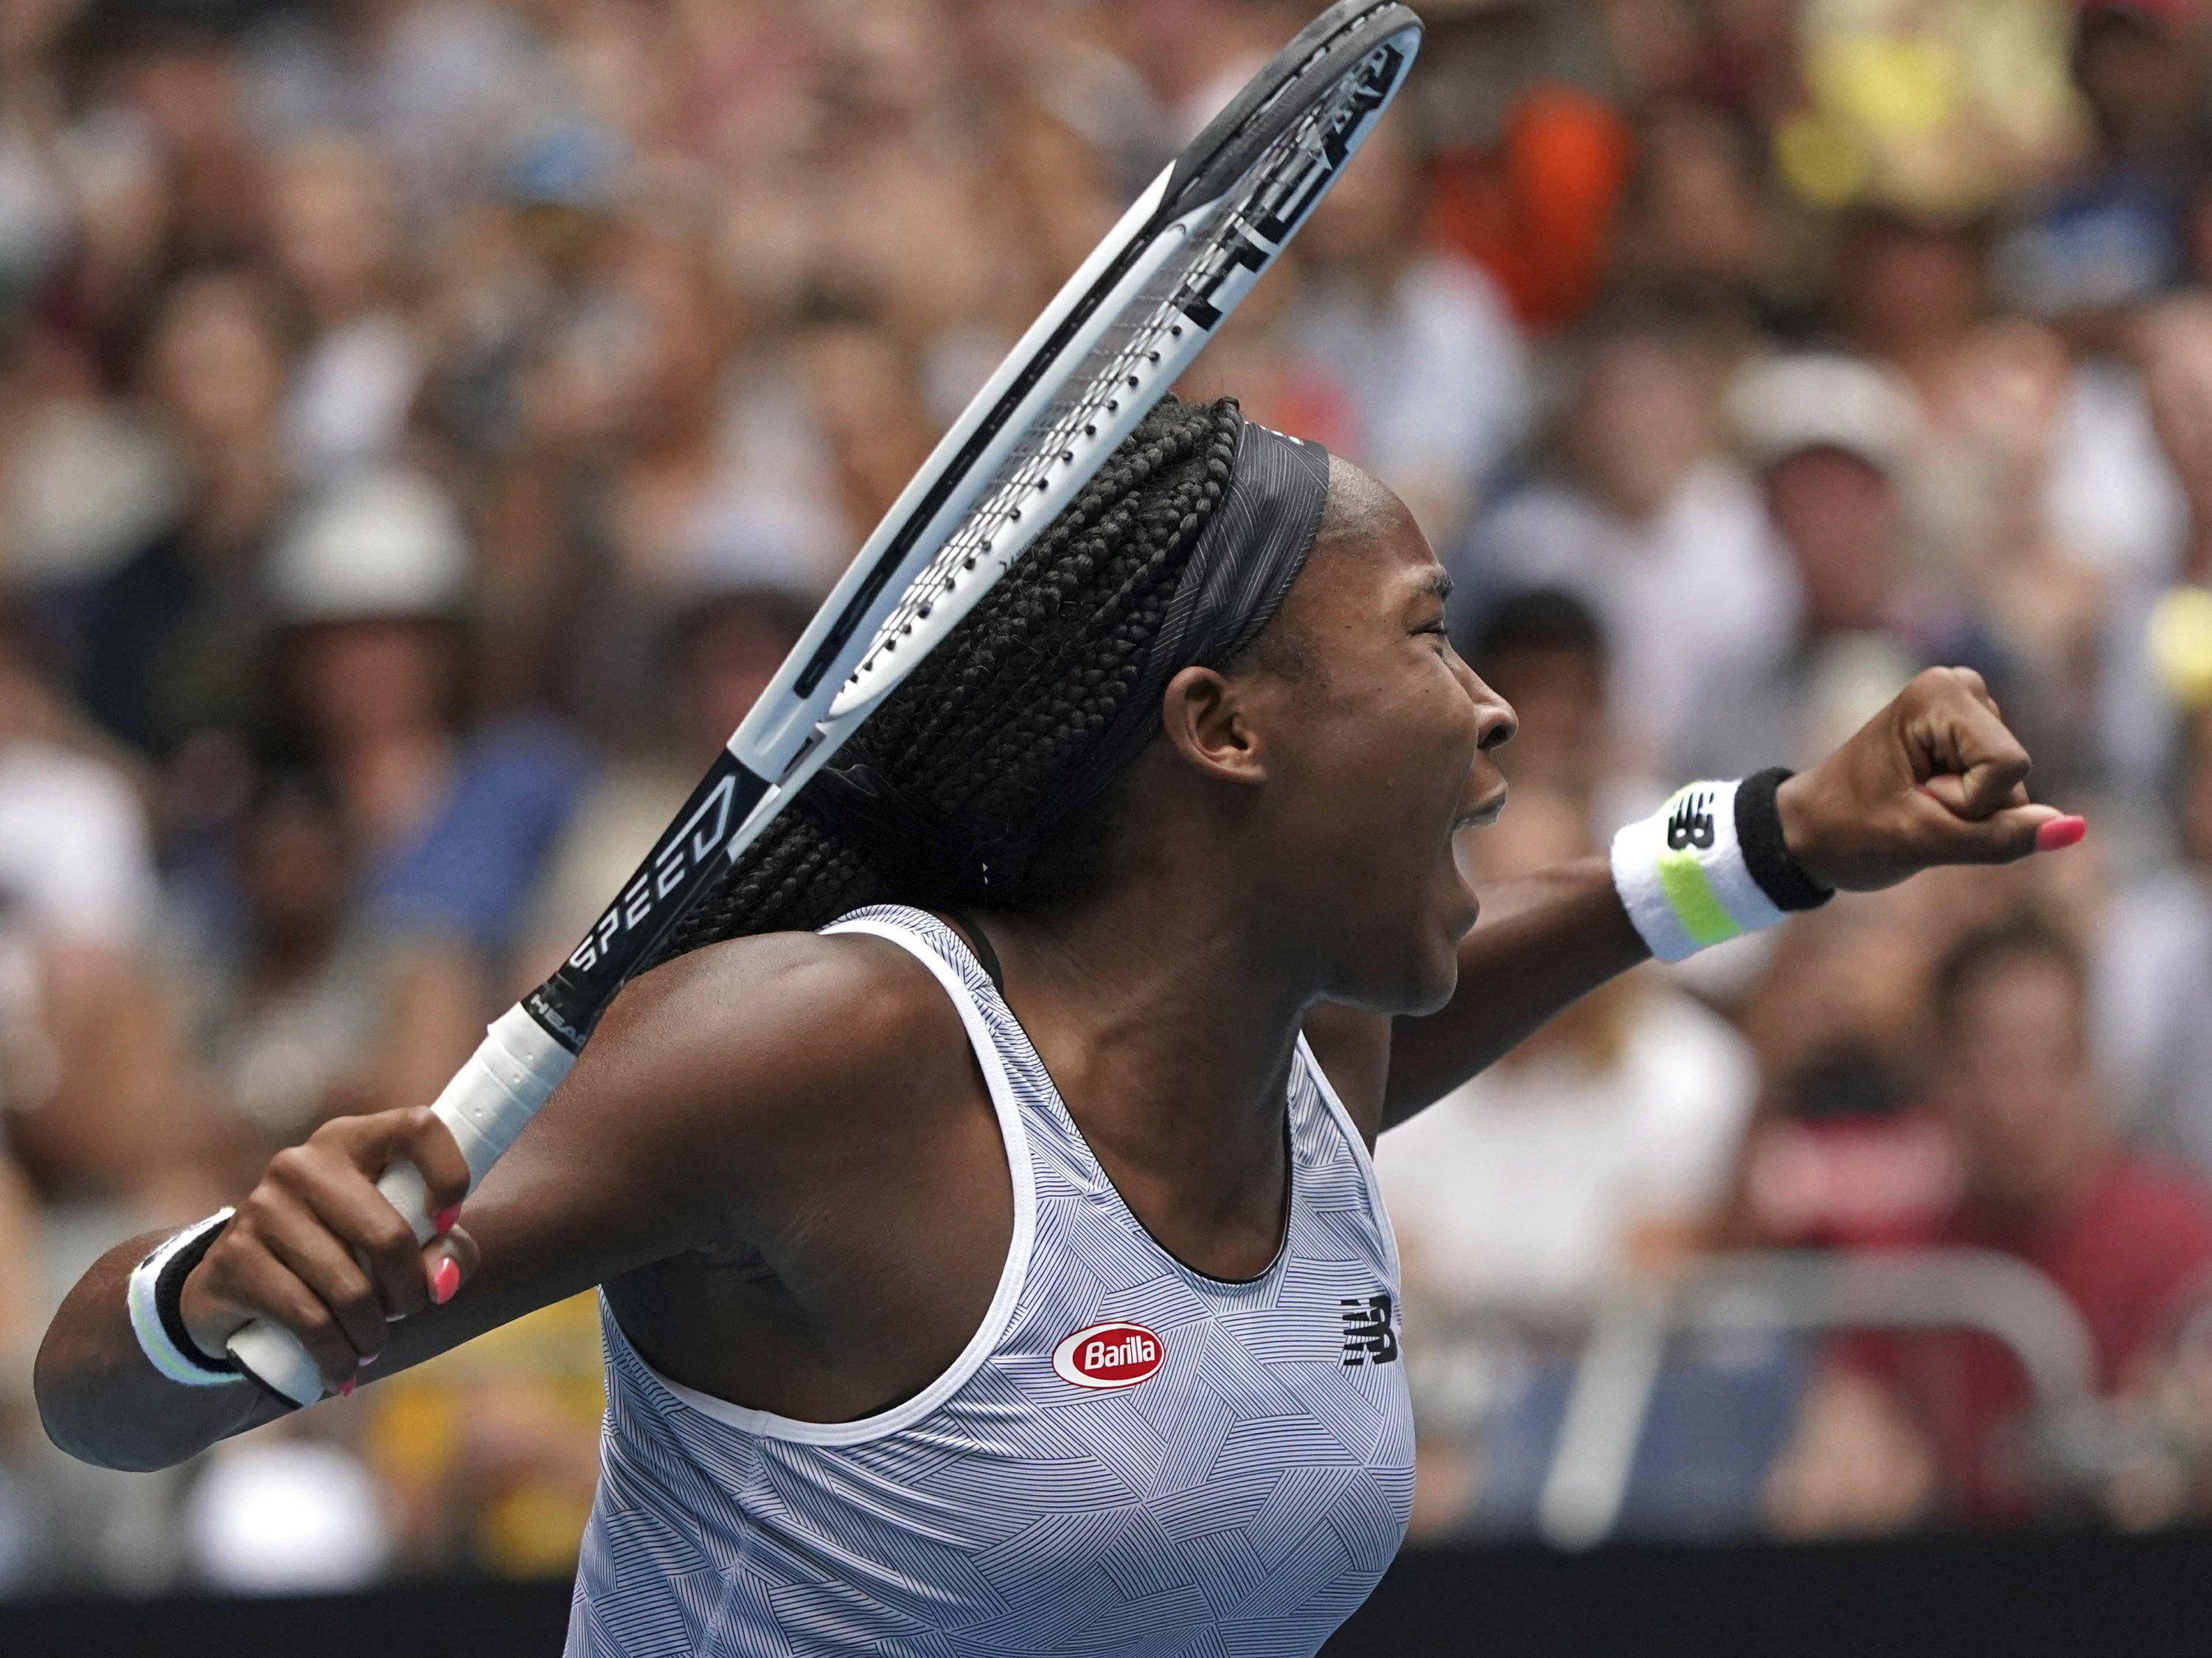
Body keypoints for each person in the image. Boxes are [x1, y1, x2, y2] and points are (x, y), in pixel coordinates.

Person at [37, 398, 2083, 1656]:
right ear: (1222, 727)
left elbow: (1531, 951)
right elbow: (113, 1403)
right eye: (1428, 632)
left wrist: (1795, 842)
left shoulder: (1304, 1059)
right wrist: (217, 1288)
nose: (1492, 711)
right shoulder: (817, 1063)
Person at [1773, 915, 2212, 1531]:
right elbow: (1839, 1445)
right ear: (1938, 1075)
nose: (2015, 1099)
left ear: (2091, 1066)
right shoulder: (1904, 1273)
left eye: (2047, 1059)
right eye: (1987, 1064)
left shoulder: (2185, 1240)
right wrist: (1844, 1473)